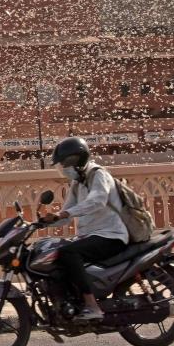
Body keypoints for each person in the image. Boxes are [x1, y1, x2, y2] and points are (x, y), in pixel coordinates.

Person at [41, 137, 128, 322]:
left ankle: (92, 306)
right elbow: (67, 215)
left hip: (111, 235)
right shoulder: (77, 183)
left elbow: (97, 201)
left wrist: (64, 214)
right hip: (91, 235)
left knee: (68, 252)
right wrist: (43, 222)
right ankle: (70, 304)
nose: (63, 169)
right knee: (54, 253)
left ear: (77, 160)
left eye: (65, 164)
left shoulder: (98, 175)